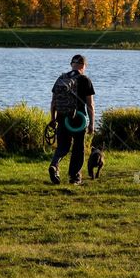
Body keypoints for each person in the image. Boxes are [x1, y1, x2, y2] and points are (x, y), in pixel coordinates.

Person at [48, 54, 95, 185]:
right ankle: (74, 177)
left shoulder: (61, 78)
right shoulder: (85, 80)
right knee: (78, 147)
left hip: (62, 117)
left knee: (62, 146)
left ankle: (54, 165)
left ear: (71, 64)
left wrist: (53, 119)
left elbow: (53, 102)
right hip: (78, 119)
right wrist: (92, 123)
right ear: (84, 66)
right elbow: (90, 105)